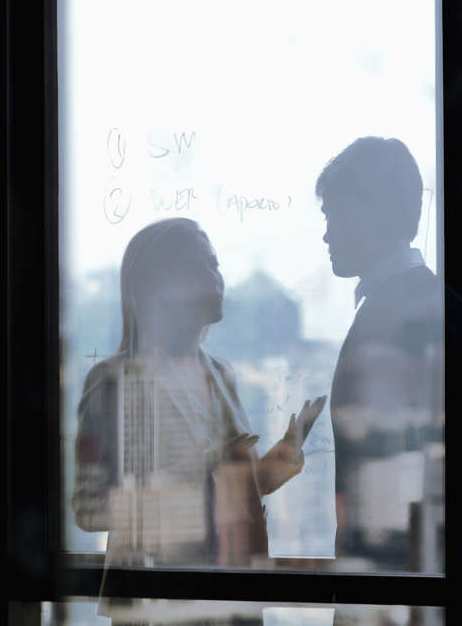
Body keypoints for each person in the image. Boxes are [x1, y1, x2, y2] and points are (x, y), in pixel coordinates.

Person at [72, 217, 325, 621]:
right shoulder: (113, 382)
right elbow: (89, 511)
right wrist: (201, 470)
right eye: (201, 267)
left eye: (216, 264)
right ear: (161, 285)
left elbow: (227, 492)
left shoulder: (221, 375)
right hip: (157, 607)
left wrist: (282, 457)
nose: (217, 277)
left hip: (233, 604)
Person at [318, 137, 462, 572]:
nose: (326, 234)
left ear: (366, 215)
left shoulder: (395, 318)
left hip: (394, 587)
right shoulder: (447, 308)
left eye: (333, 216)